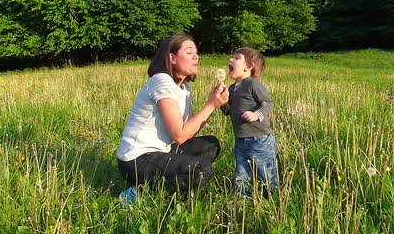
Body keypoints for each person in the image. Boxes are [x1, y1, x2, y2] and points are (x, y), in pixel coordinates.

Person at [117, 34, 229, 205]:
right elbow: (180, 135)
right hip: (136, 160)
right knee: (202, 170)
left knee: (211, 145)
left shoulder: (184, 88)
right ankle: (140, 193)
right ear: (172, 58)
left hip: (161, 151)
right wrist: (211, 105)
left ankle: (174, 185)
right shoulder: (161, 81)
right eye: (189, 52)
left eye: (196, 52)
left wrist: (213, 104)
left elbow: (189, 131)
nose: (196, 56)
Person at [221, 47, 278, 196]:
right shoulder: (232, 88)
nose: (230, 60)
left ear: (249, 67)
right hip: (240, 140)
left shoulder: (253, 84)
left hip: (259, 139)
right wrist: (221, 101)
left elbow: (268, 103)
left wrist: (257, 114)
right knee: (241, 174)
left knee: (265, 173)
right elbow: (228, 112)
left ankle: (272, 199)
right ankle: (243, 201)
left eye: (236, 58)